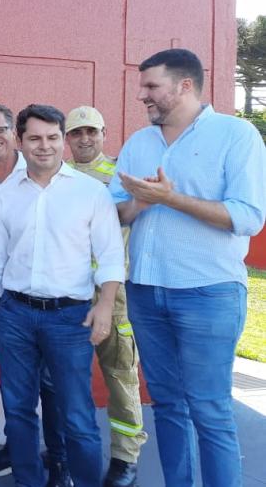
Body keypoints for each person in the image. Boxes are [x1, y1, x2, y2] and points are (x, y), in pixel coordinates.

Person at [109, 48, 266, 487]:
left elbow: (248, 217)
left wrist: (170, 199)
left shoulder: (236, 135)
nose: (141, 95)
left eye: (151, 85)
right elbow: (114, 212)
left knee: (209, 410)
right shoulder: (139, 143)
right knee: (167, 405)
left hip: (208, 293)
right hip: (145, 291)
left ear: (184, 86)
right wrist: (140, 203)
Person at [0, 104, 124, 487]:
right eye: (35, 138)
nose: (45, 146)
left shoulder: (90, 192)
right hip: (15, 315)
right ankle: (28, 481)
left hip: (70, 319)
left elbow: (110, 256)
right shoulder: (7, 194)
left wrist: (105, 305)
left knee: (77, 416)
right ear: (20, 141)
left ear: (62, 140)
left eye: (53, 137)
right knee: (19, 410)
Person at [0, 104, 70, 485]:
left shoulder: (38, 173)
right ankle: (18, 451)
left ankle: (59, 460)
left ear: (15, 133)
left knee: (52, 384)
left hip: (43, 297)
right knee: (15, 383)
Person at [64, 106, 147, 487]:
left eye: (91, 132)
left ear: (103, 133)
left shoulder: (120, 175)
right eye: (76, 133)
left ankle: (125, 457)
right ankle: (67, 449)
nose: (84, 139)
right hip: (67, 292)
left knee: (119, 375)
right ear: (67, 138)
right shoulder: (58, 175)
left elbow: (130, 215)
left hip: (112, 294)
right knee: (65, 378)